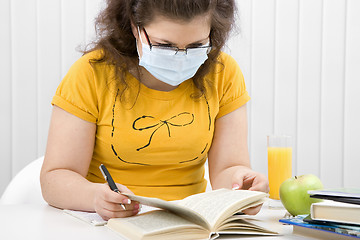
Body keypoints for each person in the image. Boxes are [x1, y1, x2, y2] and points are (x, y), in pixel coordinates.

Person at [40, 0, 269, 221]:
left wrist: (242, 186)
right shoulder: (90, 74)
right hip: (107, 226)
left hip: (189, 226)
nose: (180, 59)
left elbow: (227, 170)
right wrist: (94, 197)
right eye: (164, 45)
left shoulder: (223, 74)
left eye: (197, 46)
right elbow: (55, 179)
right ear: (134, 26)